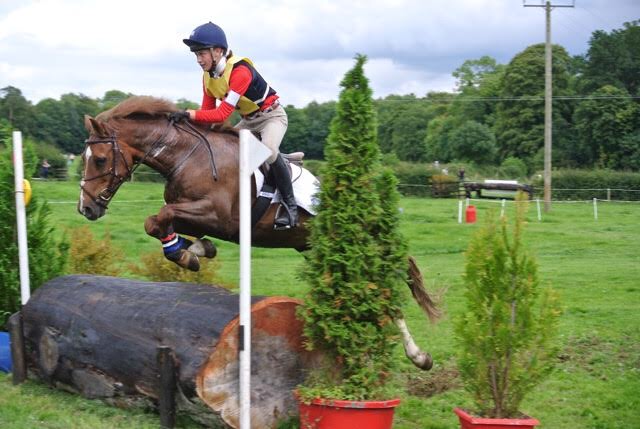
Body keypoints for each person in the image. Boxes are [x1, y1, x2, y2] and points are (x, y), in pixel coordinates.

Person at [174, 21, 297, 230]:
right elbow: (209, 117)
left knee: (268, 151)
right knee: (221, 150)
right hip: (249, 121)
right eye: (196, 55)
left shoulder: (240, 71)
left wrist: (188, 114)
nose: (198, 59)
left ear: (218, 51)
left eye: (201, 53)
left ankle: (290, 207)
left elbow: (222, 113)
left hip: (271, 117)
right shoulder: (208, 78)